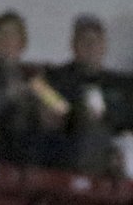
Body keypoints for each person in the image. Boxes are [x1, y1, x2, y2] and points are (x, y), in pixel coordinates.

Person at [0, 11, 68, 165]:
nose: (7, 41)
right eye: (2, 35)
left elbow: (60, 109)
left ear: (22, 43)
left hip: (31, 143)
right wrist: (9, 95)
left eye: (13, 36)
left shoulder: (31, 76)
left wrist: (46, 109)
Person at [48, 15, 117, 173]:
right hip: (66, 143)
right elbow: (56, 112)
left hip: (112, 148)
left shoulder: (119, 84)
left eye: (96, 41)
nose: (90, 46)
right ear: (73, 45)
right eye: (84, 41)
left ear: (104, 46)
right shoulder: (54, 77)